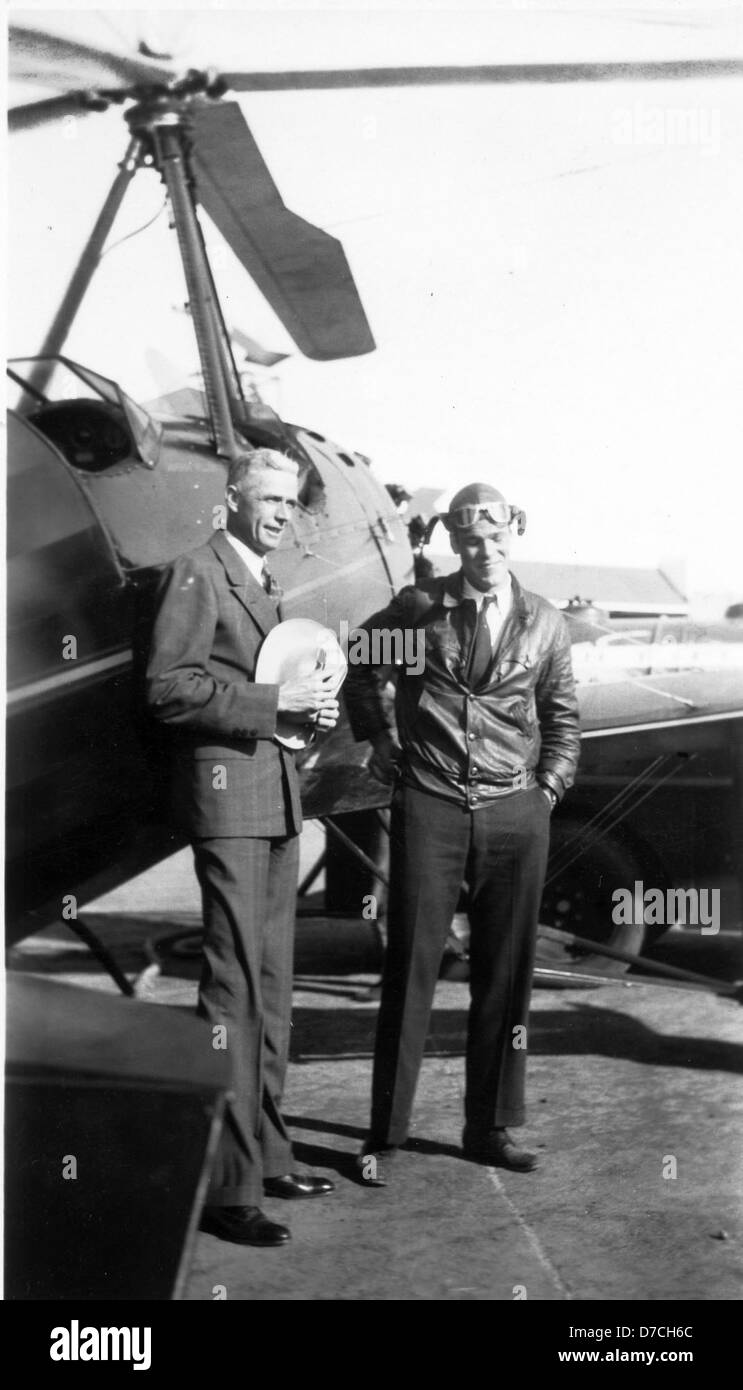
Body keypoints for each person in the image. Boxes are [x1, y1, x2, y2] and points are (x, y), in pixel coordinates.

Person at [344, 481, 581, 1182]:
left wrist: (546, 789)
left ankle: (491, 1127)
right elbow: (362, 668)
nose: (485, 551)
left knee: (505, 979)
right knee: (411, 970)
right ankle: (386, 1133)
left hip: (515, 811)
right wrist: (380, 740)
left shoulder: (544, 621)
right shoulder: (420, 609)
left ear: (515, 535)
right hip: (430, 803)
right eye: (471, 540)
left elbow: (563, 718)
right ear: (453, 542)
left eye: (497, 537)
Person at [146, 448, 340, 1246]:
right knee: (231, 989)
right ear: (230, 498)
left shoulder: (261, 579)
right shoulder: (194, 570)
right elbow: (168, 688)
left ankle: (267, 1154)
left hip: (276, 797)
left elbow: (260, 687)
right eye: (265, 498)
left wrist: (306, 714)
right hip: (229, 801)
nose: (279, 513)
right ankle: (228, 1189)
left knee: (271, 982)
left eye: (289, 503)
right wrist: (275, 700)